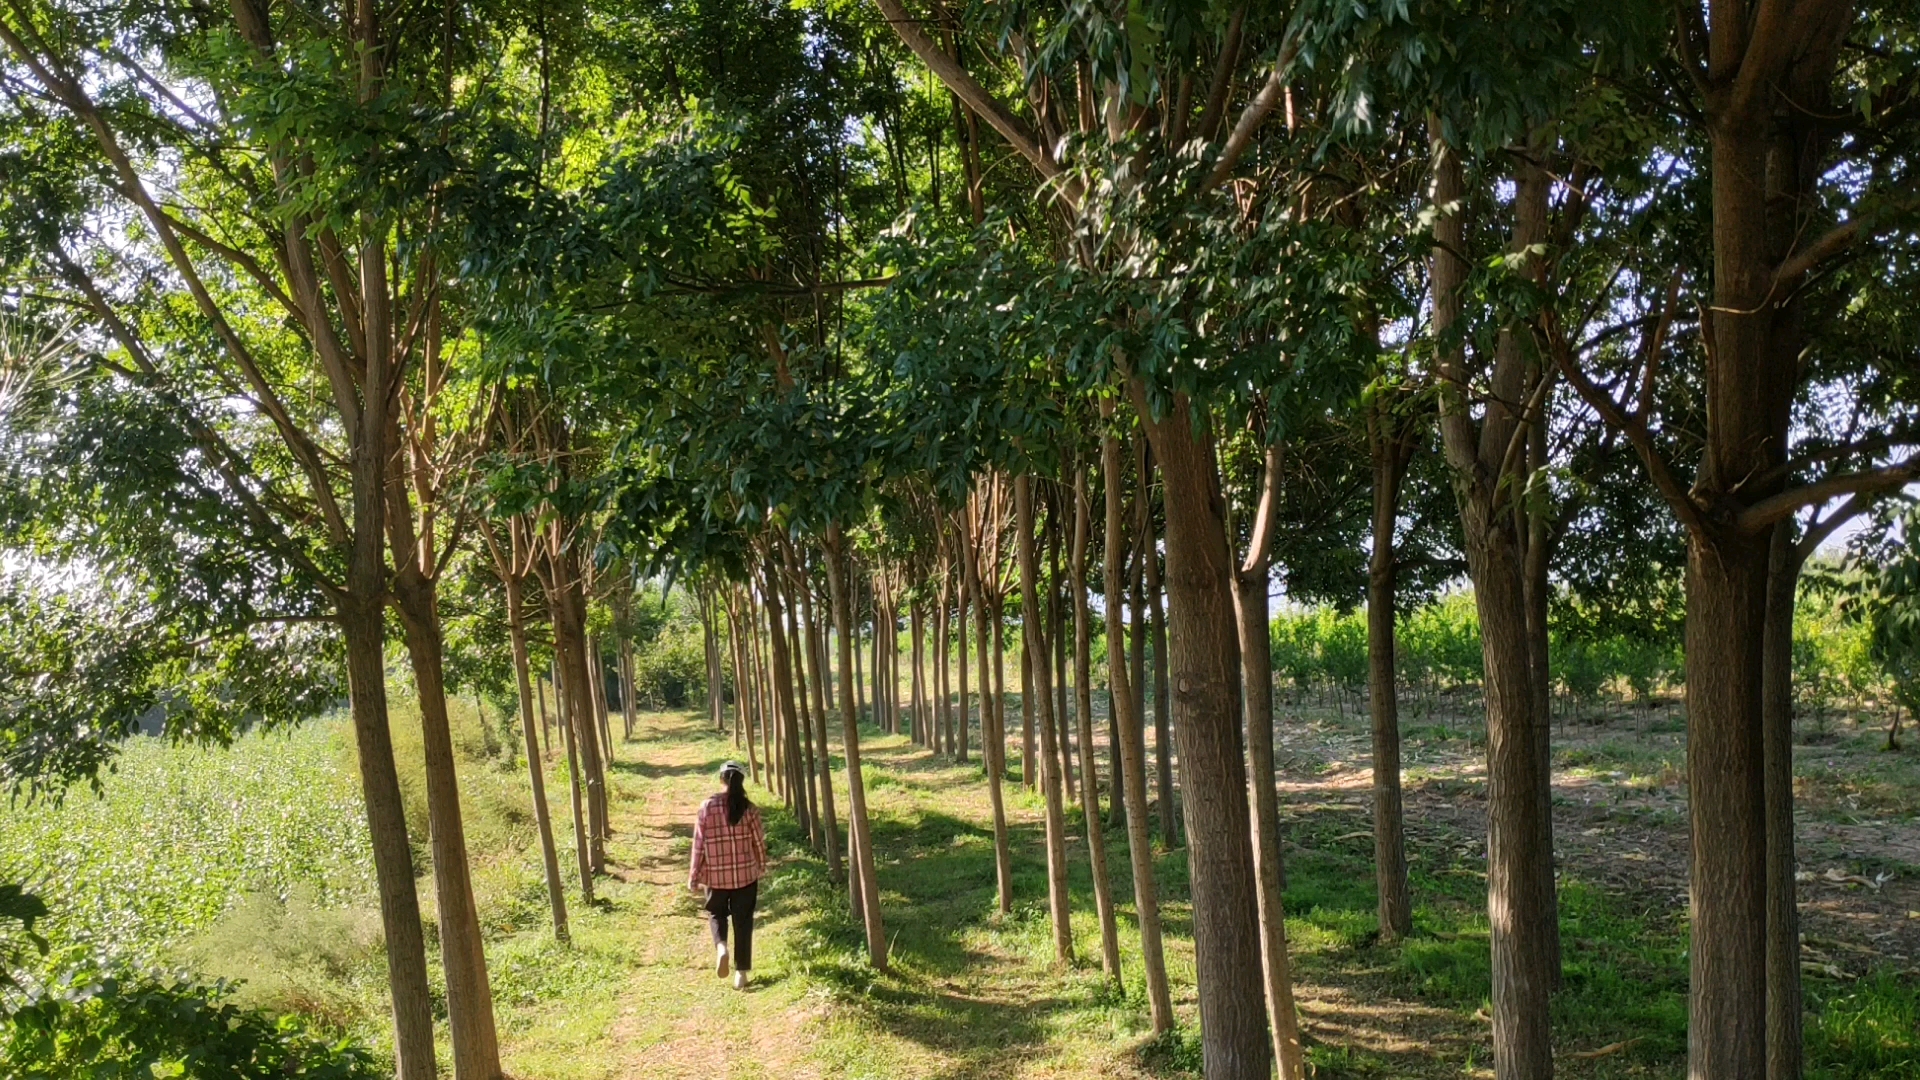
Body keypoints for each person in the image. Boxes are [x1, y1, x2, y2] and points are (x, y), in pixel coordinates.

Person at [688, 760, 766, 989]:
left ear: (721, 779)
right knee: (743, 922)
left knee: (716, 913)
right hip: (745, 877)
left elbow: (698, 844)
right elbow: (759, 842)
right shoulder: (750, 809)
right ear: (741, 781)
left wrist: (694, 874)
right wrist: (761, 864)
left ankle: (721, 946)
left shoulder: (706, 807)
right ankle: (741, 974)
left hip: (715, 877)